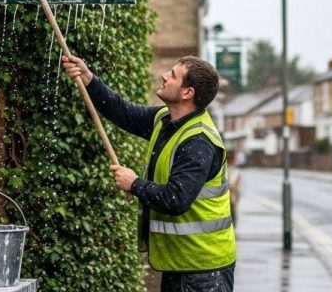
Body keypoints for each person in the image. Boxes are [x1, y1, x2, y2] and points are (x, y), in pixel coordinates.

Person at [62, 54, 237, 292]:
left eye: (173, 75)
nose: (164, 76)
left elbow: (176, 199)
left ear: (188, 93)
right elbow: (122, 112)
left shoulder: (198, 142)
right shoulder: (164, 120)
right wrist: (89, 79)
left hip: (203, 269)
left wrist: (134, 184)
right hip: (184, 263)